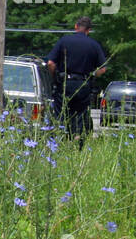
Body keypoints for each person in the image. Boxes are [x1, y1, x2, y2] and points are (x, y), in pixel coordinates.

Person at [45, 16, 107, 144]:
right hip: (83, 85)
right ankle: (76, 141)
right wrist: (91, 75)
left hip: (64, 83)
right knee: (79, 115)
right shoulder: (94, 45)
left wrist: (55, 77)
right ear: (88, 30)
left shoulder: (64, 41)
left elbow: (50, 63)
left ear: (75, 26)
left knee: (60, 114)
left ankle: (58, 142)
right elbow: (103, 69)